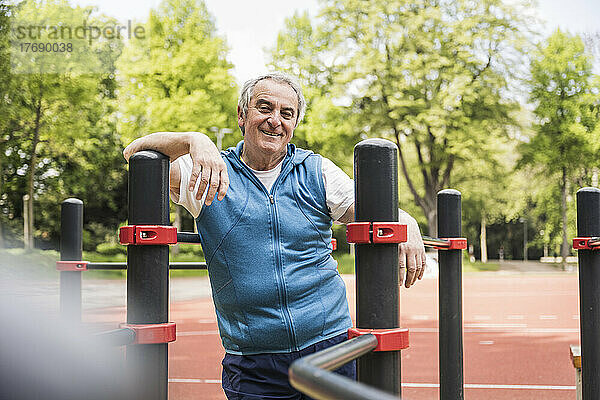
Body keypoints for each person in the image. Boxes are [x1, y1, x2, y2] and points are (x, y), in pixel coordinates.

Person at [123, 72, 426, 399]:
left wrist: (406, 218)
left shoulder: (316, 170)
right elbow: (133, 153)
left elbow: (369, 207)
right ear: (242, 114)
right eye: (264, 108)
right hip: (254, 361)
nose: (275, 121)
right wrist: (193, 140)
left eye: (287, 113)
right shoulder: (208, 172)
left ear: (294, 122)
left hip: (330, 348)